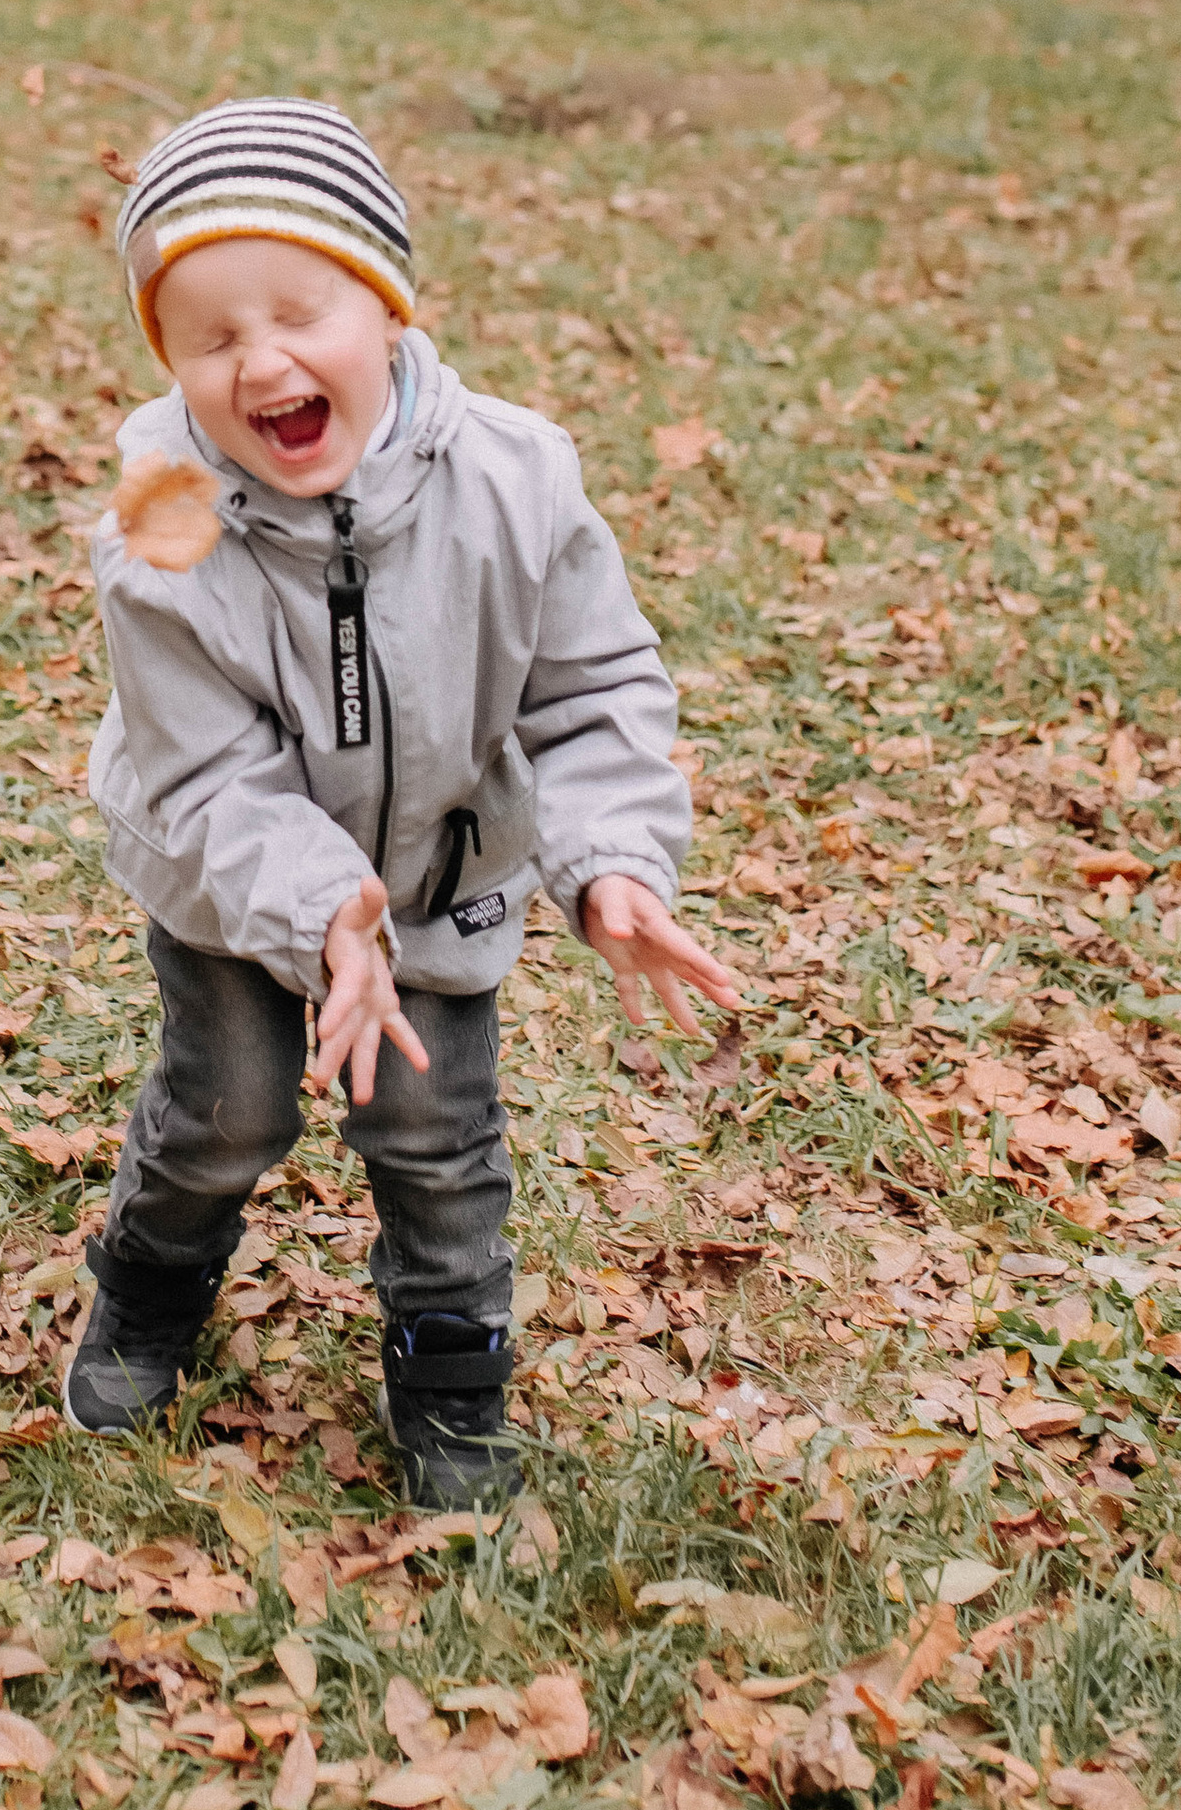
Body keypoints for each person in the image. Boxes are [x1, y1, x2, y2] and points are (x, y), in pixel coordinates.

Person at [66, 98, 738, 1509]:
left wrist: (612, 861)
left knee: (440, 1143)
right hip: (236, 889)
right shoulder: (162, 531)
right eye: (207, 338)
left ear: (384, 304)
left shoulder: (517, 482)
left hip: (438, 882)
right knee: (230, 1112)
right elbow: (206, 773)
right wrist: (325, 916)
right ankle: (146, 1280)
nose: (260, 361)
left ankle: (450, 1372)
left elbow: (592, 687)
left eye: (300, 310)